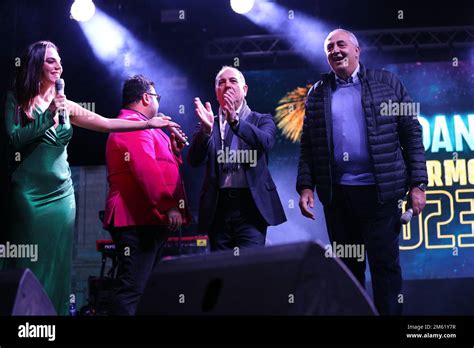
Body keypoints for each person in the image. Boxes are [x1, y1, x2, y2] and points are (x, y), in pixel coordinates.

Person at [1, 41, 178, 315]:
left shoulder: (66, 105)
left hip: (62, 198)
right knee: (28, 260)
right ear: (36, 63)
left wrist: (147, 123)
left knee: (59, 265)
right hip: (28, 195)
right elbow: (13, 139)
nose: (58, 65)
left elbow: (106, 123)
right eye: (50, 60)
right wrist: (48, 116)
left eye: (59, 60)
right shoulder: (17, 99)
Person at [296, 29, 428, 315]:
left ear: (358, 51)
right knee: (347, 273)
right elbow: (309, 144)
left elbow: (411, 134)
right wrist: (305, 186)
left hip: (382, 196)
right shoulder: (317, 93)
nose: (335, 50)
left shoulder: (387, 83)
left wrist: (418, 184)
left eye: (341, 44)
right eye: (329, 47)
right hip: (339, 199)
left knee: (385, 269)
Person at [103, 75, 190, 315]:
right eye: (157, 97)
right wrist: (168, 204)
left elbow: (159, 164)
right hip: (135, 219)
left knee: (143, 289)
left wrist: (175, 151)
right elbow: (144, 168)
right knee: (131, 288)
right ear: (146, 97)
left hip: (148, 219)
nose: (158, 103)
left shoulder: (143, 125)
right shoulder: (132, 124)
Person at [188, 66, 286, 251]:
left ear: (245, 89)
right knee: (222, 270)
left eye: (233, 81)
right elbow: (194, 160)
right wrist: (206, 132)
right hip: (218, 207)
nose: (227, 85)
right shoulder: (208, 123)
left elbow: (265, 142)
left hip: (251, 206)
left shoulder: (262, 119)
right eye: (221, 82)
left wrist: (235, 122)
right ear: (216, 91)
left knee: (249, 268)